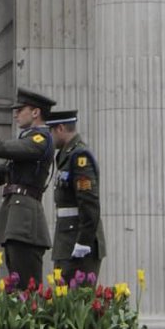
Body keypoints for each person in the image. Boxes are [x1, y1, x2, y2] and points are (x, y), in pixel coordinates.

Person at [0, 87, 55, 288]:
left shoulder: (39, 140)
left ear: (35, 112)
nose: (15, 113)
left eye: (20, 109)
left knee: (26, 289)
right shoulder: (27, 142)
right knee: (17, 288)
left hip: (25, 224)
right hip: (16, 223)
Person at [48, 109, 105, 285]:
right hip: (66, 242)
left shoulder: (79, 156)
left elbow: (89, 203)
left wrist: (84, 242)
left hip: (77, 243)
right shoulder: (66, 155)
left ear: (60, 128)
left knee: (77, 304)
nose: (49, 137)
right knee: (63, 304)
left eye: (50, 131)